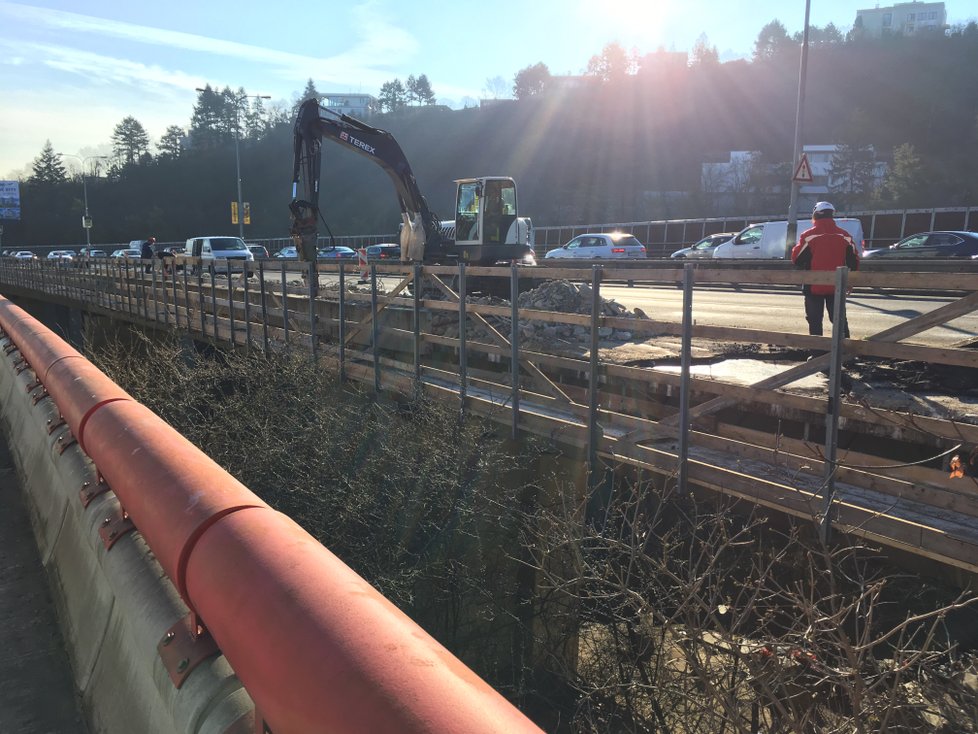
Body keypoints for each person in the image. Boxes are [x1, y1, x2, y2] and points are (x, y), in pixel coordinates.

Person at [790, 201, 859, 338]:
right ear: (832, 215)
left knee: (815, 321)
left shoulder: (809, 235)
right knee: (839, 320)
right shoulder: (844, 235)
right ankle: (845, 353)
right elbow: (854, 260)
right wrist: (850, 281)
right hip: (837, 285)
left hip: (813, 285)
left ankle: (817, 353)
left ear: (815, 215)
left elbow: (797, 259)